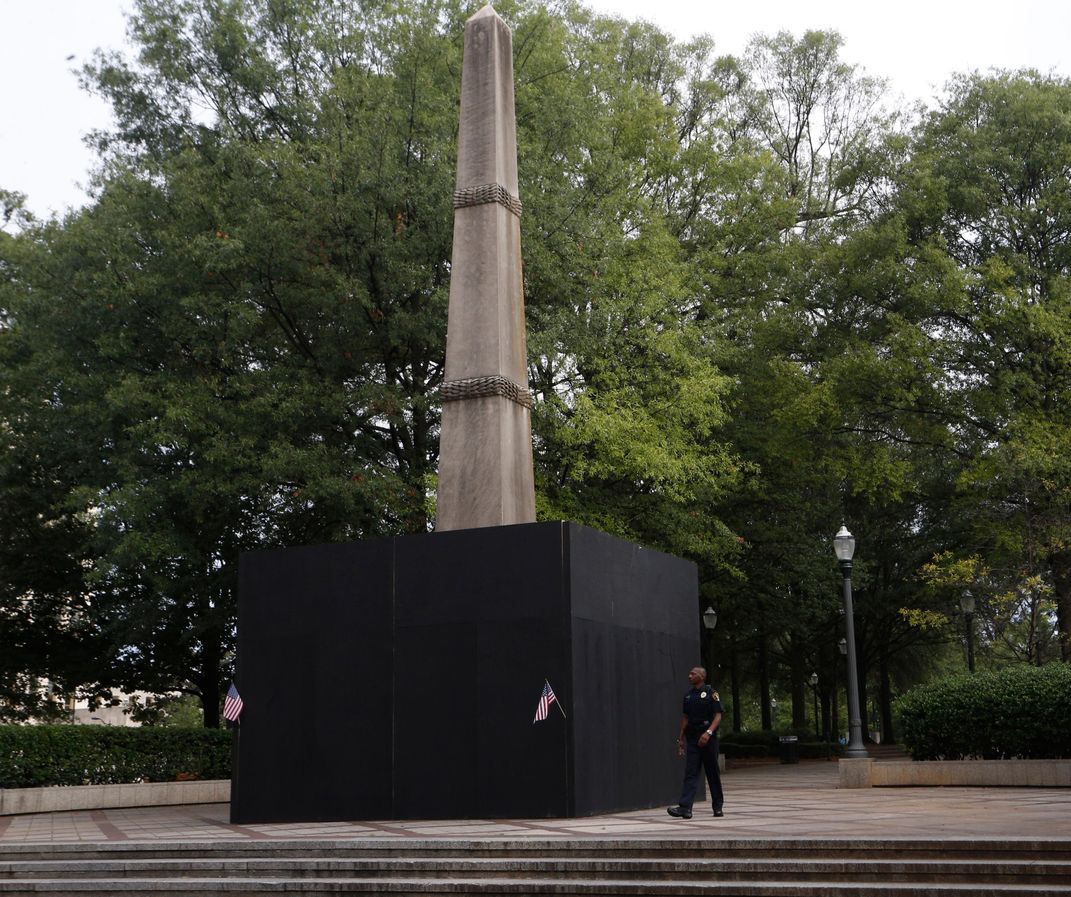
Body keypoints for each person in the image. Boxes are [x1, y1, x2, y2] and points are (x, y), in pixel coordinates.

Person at [667, 665, 724, 819]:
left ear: (702, 676)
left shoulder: (712, 694)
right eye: (689, 673)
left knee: (712, 773)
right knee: (691, 773)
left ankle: (717, 807)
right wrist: (680, 739)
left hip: (708, 739)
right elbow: (685, 719)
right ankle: (685, 808)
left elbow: (718, 715)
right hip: (693, 739)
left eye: (693, 673)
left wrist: (709, 732)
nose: (689, 676)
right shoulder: (688, 696)